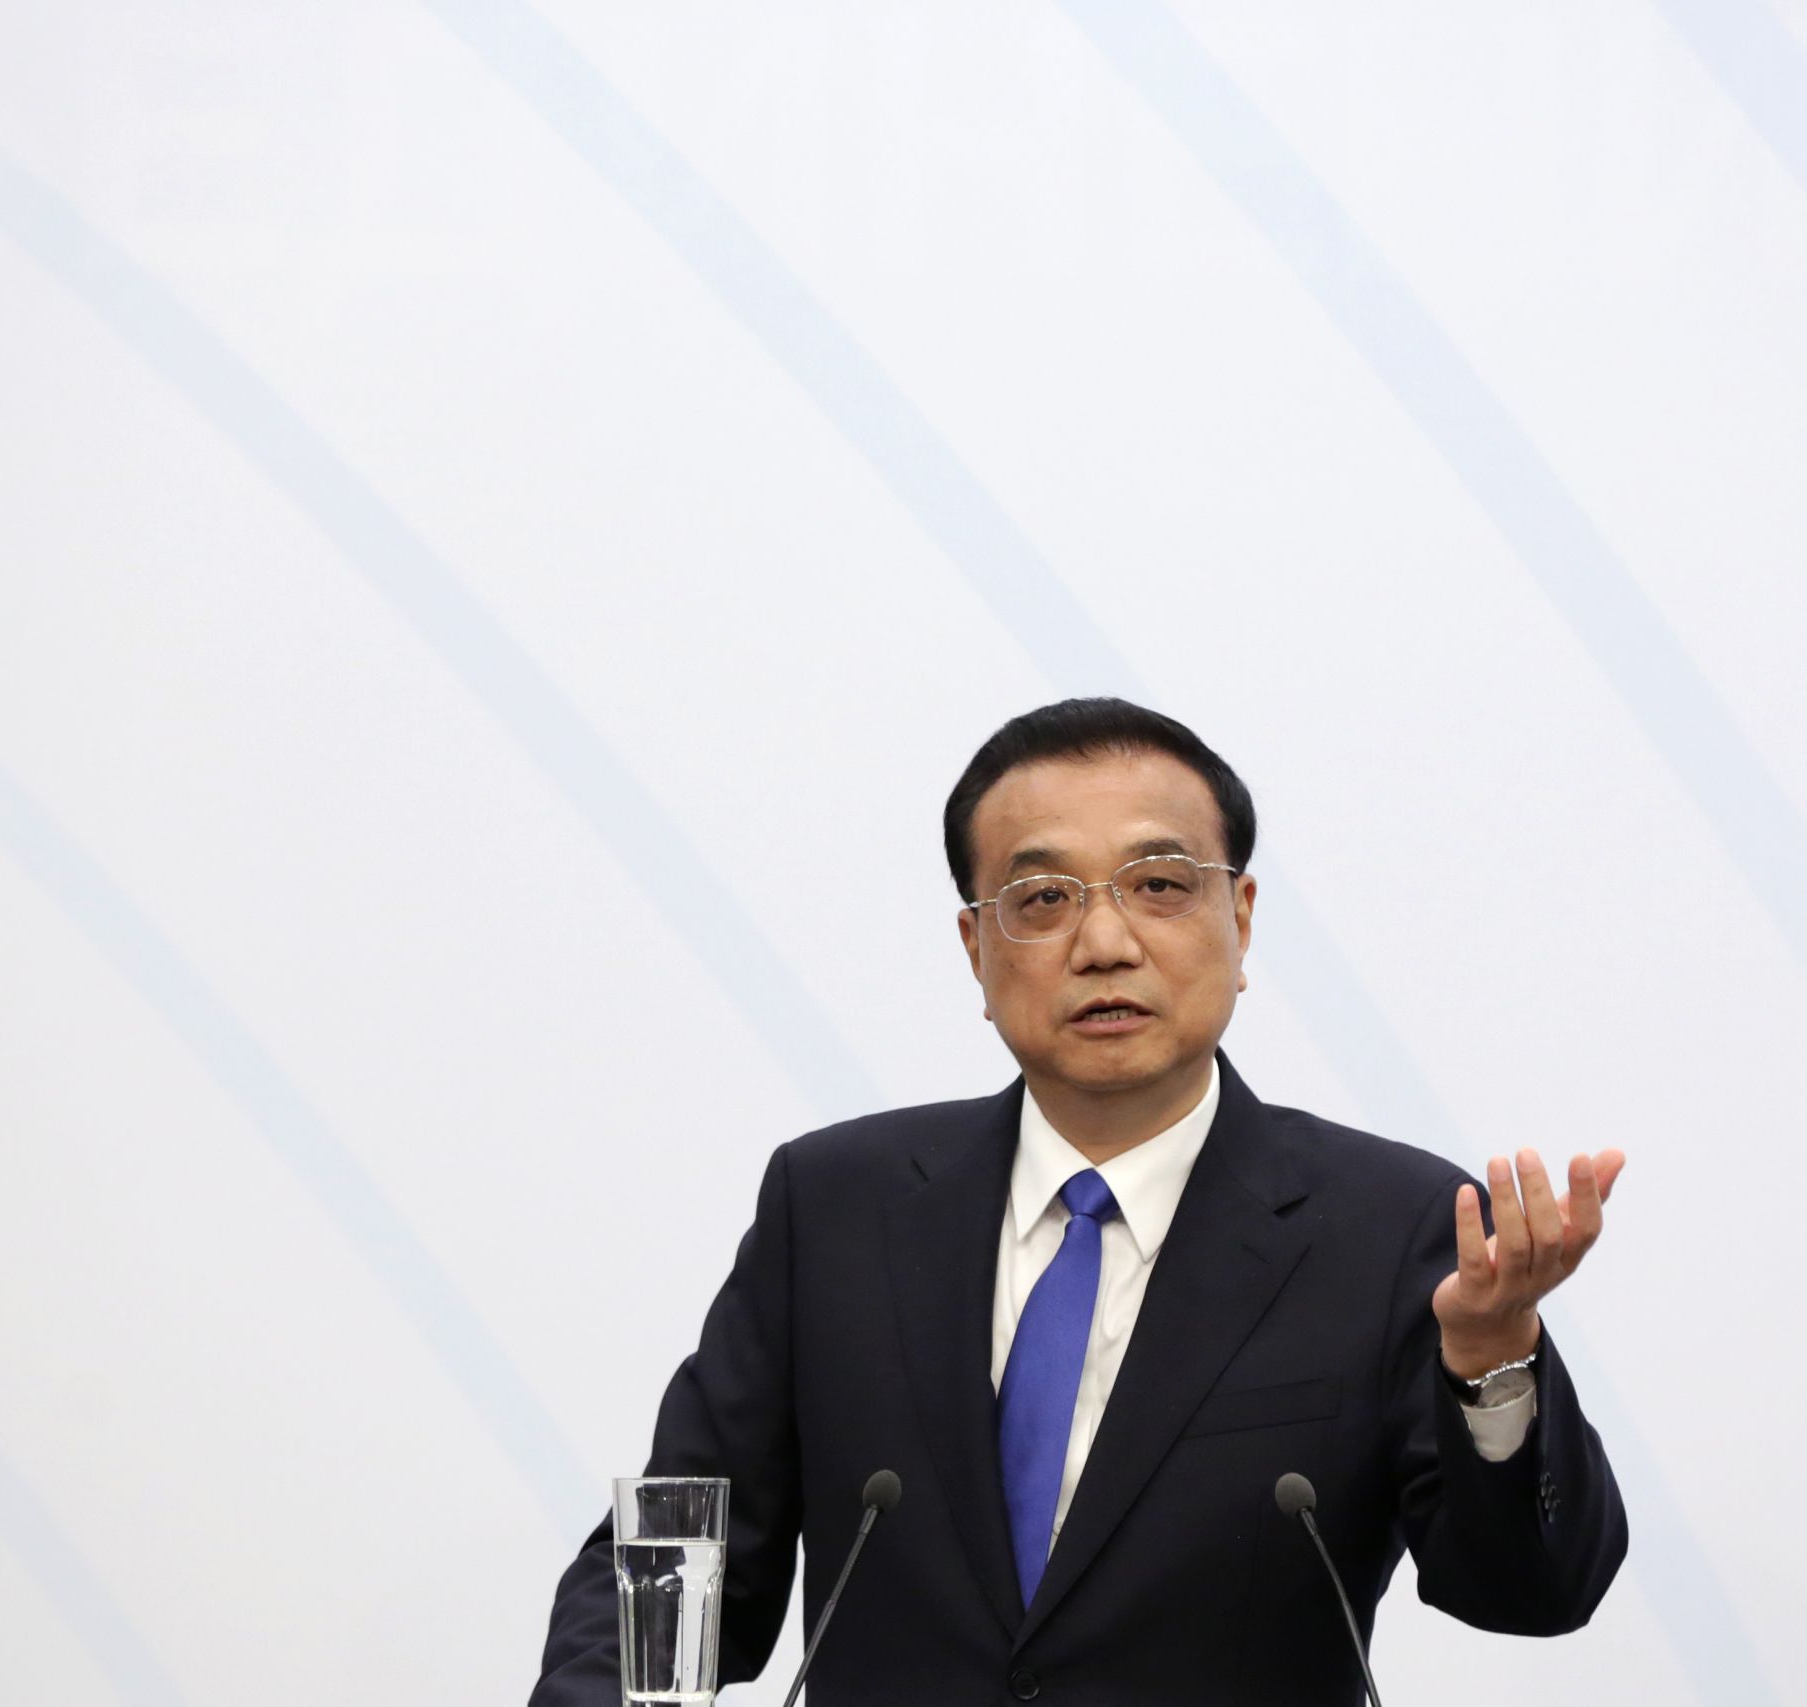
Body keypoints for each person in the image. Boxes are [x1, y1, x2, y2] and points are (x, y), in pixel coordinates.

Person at [526, 698, 1628, 1705]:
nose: (1104, 944)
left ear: (1239, 919)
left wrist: (1490, 1360)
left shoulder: (1388, 1225)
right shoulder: (836, 1208)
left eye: (1159, 886)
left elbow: (1530, 1594)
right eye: (1042, 898)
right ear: (976, 947)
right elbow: (675, 1560)